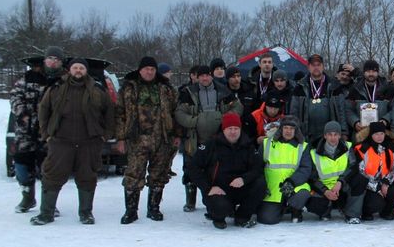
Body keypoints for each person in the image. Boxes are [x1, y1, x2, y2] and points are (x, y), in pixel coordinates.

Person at [31, 58, 115, 225]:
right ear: (69, 70)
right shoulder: (56, 88)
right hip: (61, 141)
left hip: (89, 142)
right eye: (75, 67)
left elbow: (110, 114)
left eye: (81, 68)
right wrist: (46, 134)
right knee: (52, 176)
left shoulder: (97, 90)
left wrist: (105, 136)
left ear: (86, 71)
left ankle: (86, 213)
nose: (78, 70)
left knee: (87, 177)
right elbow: (44, 110)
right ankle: (46, 213)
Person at [115, 56, 181, 224]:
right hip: (137, 139)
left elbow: (176, 112)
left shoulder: (166, 88)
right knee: (133, 175)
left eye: (152, 69)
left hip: (162, 138)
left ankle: (154, 208)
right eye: (146, 69)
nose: (150, 72)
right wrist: (121, 138)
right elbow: (120, 114)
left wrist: (177, 134)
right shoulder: (128, 88)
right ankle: (131, 210)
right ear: (140, 70)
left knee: (159, 175)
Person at [175, 65, 243, 213]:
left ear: (212, 76)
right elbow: (180, 113)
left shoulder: (223, 91)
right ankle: (190, 200)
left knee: (216, 169)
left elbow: (238, 108)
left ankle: (216, 199)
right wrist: (195, 121)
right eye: (202, 76)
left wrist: (224, 120)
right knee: (190, 167)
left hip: (218, 137)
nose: (205, 78)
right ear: (197, 77)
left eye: (207, 75)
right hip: (195, 138)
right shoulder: (188, 92)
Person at [188, 112, 266, 229]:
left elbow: (258, 167)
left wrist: (244, 179)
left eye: (236, 128)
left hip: (240, 188)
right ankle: (218, 218)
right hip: (218, 190)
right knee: (220, 207)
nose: (233, 132)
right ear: (223, 129)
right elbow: (193, 167)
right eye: (230, 128)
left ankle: (242, 217)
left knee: (260, 183)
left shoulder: (248, 145)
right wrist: (208, 187)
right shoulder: (211, 145)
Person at [10, 48, 65, 213]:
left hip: (50, 132)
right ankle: (28, 197)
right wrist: (23, 115)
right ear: (44, 61)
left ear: (61, 63)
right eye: (50, 59)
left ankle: (48, 203)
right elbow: (14, 97)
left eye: (57, 59)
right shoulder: (28, 78)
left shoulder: (63, 80)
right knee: (21, 166)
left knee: (48, 169)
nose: (53, 62)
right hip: (25, 131)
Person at [258, 116, 311, 225]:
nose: (288, 131)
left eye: (292, 128)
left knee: (302, 194)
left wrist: (291, 182)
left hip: (294, 186)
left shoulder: (303, 146)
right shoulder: (267, 143)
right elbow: (258, 167)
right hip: (272, 188)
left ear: (296, 130)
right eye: (286, 128)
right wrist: (262, 185)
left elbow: (305, 169)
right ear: (281, 129)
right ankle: (282, 208)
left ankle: (295, 209)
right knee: (267, 219)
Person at [307, 121, 361, 223]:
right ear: (325, 136)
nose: (333, 138)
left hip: (342, 188)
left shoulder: (348, 147)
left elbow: (353, 167)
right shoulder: (314, 152)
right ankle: (327, 209)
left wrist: (340, 182)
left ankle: (351, 214)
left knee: (360, 179)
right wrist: (325, 191)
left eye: (336, 134)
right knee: (314, 205)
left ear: (340, 135)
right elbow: (311, 178)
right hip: (323, 190)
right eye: (330, 134)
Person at [291, 54, 346, 144]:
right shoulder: (300, 87)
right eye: (313, 65)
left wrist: (343, 131)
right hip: (306, 134)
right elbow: (294, 111)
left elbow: (341, 111)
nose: (316, 67)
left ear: (323, 66)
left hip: (329, 135)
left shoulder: (334, 85)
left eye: (318, 65)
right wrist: (295, 132)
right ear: (308, 67)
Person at [353, 121, 394, 221]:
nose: (379, 136)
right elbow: (361, 172)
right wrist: (377, 188)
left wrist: (386, 183)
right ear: (371, 135)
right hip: (368, 186)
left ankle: (386, 212)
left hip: (385, 182)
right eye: (376, 134)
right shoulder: (362, 149)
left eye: (382, 134)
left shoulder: (391, 148)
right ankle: (366, 212)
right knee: (376, 203)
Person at [345, 59, 394, 140]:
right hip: (361, 132)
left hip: (381, 133)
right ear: (364, 72)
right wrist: (355, 122)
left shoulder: (388, 89)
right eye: (368, 71)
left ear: (378, 72)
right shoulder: (355, 88)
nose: (371, 74)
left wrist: (386, 120)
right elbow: (348, 109)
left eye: (374, 71)